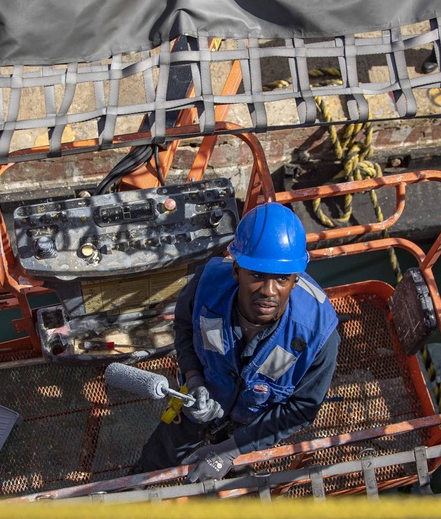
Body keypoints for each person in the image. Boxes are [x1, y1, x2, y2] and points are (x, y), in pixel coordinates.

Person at [132, 202, 341, 483]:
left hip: (254, 428)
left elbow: (302, 407)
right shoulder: (206, 287)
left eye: (282, 279)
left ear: (296, 278)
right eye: (256, 275)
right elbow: (183, 327)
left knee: (230, 492)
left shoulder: (317, 333)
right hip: (202, 403)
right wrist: (194, 380)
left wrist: (231, 451)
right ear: (236, 270)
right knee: (155, 460)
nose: (269, 292)